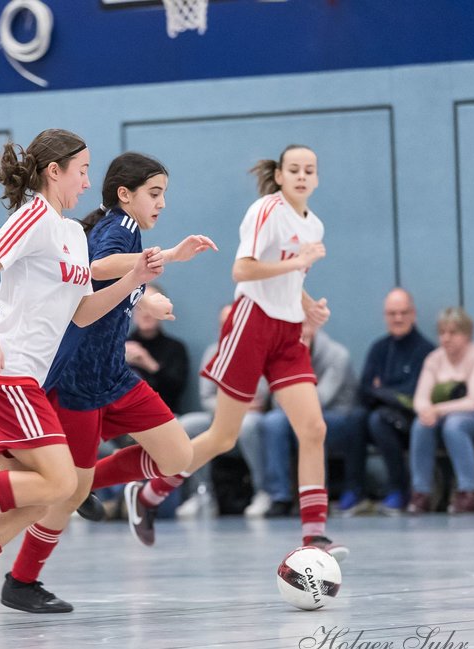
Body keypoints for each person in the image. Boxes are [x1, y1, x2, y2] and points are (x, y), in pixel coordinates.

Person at [0, 129, 163, 630]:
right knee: (63, 483)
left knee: (35, 498)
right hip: (4, 372)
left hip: (26, 380)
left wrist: (133, 281)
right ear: (55, 171)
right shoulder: (33, 218)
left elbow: (82, 313)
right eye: (83, 170)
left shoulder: (69, 235)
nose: (89, 181)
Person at [0, 151, 216, 607]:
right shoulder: (117, 230)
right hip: (78, 378)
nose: (162, 203)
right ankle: (21, 581)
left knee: (177, 453)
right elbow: (100, 268)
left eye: (164, 195)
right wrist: (170, 256)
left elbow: (115, 279)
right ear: (125, 195)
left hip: (112, 374)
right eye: (154, 194)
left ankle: (85, 488)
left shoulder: (125, 230)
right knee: (62, 492)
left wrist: (147, 299)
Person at [128, 145, 348, 559]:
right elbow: (243, 270)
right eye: (294, 169)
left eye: (310, 170)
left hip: (288, 333)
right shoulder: (266, 210)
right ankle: (150, 492)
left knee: (314, 428)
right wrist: (296, 262)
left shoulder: (313, 225)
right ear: (280, 175)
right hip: (251, 323)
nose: (302, 176)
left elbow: (287, 279)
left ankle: (314, 534)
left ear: (316, 179)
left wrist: (308, 306)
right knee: (223, 435)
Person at [407, 307, 474, 514]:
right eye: (442, 332)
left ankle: (469, 492)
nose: (446, 338)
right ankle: (421, 493)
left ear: (467, 334)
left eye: (453, 332)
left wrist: (436, 409)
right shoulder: (434, 359)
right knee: (421, 424)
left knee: (455, 425)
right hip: (450, 418)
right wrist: (426, 411)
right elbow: (420, 398)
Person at [259, 329, 368, 516]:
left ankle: (315, 499)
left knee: (309, 425)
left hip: (338, 417)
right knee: (272, 422)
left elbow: (320, 399)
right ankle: (280, 497)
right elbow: (276, 399)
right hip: (296, 415)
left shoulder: (337, 355)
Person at [175, 304, 267, 518]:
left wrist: (236, 407)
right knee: (187, 425)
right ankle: (201, 493)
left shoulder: (260, 350)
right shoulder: (212, 352)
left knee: (248, 425)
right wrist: (230, 408)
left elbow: (262, 395)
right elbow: (207, 397)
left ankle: (262, 491)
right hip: (217, 416)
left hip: (250, 417)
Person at [358, 288, 435, 515]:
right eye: (392, 313)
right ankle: (354, 490)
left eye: (403, 312)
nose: (398, 318)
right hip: (379, 415)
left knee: (377, 420)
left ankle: (399, 490)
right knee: (355, 419)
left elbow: (411, 396)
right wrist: (386, 394)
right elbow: (363, 389)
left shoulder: (425, 350)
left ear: (413, 314)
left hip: (412, 422)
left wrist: (381, 391)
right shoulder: (378, 348)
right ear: (385, 316)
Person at [125, 282, 190, 414]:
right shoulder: (120, 345)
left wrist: (148, 362)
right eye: (140, 308)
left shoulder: (175, 348)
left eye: (151, 309)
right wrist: (118, 360)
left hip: (164, 413)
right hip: (124, 412)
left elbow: (174, 392)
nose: (146, 314)